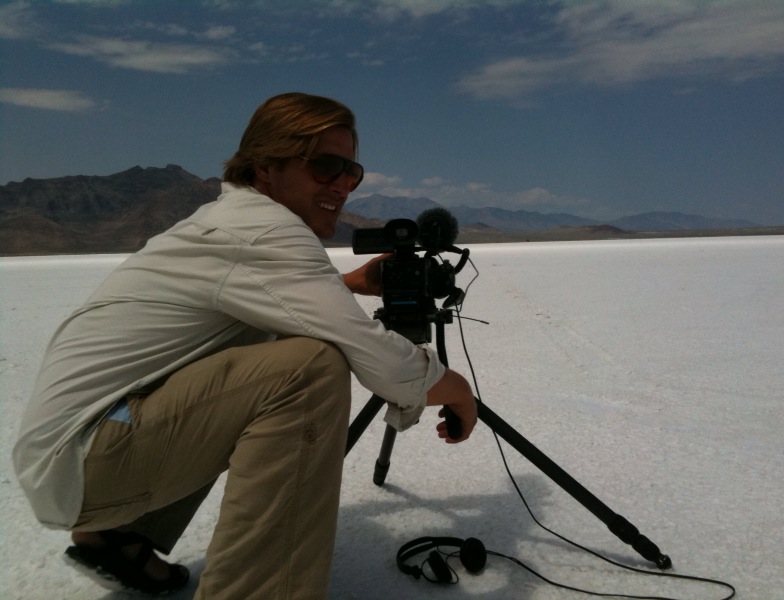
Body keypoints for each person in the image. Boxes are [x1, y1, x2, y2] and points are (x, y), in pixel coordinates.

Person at [12, 92, 477, 599]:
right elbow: (378, 357)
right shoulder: (264, 230)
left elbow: (254, 299)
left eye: (352, 172)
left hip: (75, 451)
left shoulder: (232, 222)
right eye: (325, 167)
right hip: (87, 459)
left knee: (270, 348)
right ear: (264, 167)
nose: (343, 185)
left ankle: (116, 537)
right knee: (308, 367)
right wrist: (455, 390)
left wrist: (342, 284)